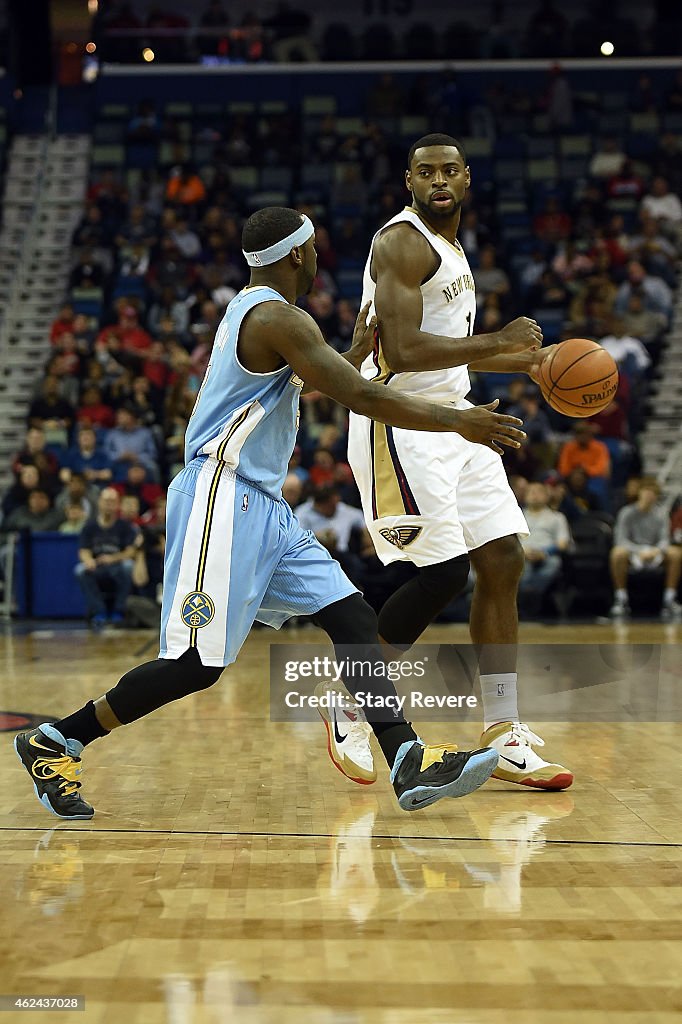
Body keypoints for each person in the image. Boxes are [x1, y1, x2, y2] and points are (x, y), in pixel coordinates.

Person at [14, 206, 530, 820]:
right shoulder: (276, 317)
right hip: (219, 496)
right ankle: (58, 740)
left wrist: (352, 350)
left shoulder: (270, 318)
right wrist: (458, 419)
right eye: (313, 250)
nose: (319, 259)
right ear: (294, 256)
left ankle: (406, 759)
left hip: (264, 504)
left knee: (354, 616)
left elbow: (300, 380)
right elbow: (359, 393)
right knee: (194, 667)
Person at [345, 134, 573, 791]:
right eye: (426, 171)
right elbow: (407, 350)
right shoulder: (402, 242)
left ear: (467, 179)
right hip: (401, 421)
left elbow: (450, 350)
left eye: (449, 170)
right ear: (409, 179)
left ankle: (503, 732)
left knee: (503, 559)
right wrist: (500, 339)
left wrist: (530, 361)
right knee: (442, 576)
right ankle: (354, 699)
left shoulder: (449, 245)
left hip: (456, 418)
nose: (439, 180)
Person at [609, 479, 682, 619]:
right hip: (632, 553)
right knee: (617, 553)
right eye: (646, 491)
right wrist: (638, 551)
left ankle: (669, 599)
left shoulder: (661, 514)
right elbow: (621, 540)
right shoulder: (626, 512)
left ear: (656, 496)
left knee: (676, 553)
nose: (649, 496)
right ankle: (621, 600)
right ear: (639, 493)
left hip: (655, 553)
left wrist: (656, 551)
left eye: (653, 493)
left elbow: (665, 540)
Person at [75, 488, 137, 628]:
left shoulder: (124, 526)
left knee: (128, 566)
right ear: (99, 502)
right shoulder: (89, 526)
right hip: (97, 567)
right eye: (106, 500)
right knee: (80, 570)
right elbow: (83, 550)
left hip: (117, 566)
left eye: (112, 501)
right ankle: (99, 611)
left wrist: (113, 558)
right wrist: (88, 560)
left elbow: (131, 552)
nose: (109, 504)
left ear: (118, 504)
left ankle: (119, 610)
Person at [519, 482, 571, 615]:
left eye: (539, 492)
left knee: (554, 563)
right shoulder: (517, 517)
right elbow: (510, 541)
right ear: (525, 496)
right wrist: (523, 552)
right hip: (522, 555)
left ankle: (534, 594)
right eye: (531, 492)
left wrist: (545, 552)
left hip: (547, 555)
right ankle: (526, 600)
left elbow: (563, 542)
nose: (535, 495)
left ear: (547, 496)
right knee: (520, 567)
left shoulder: (557, 517)